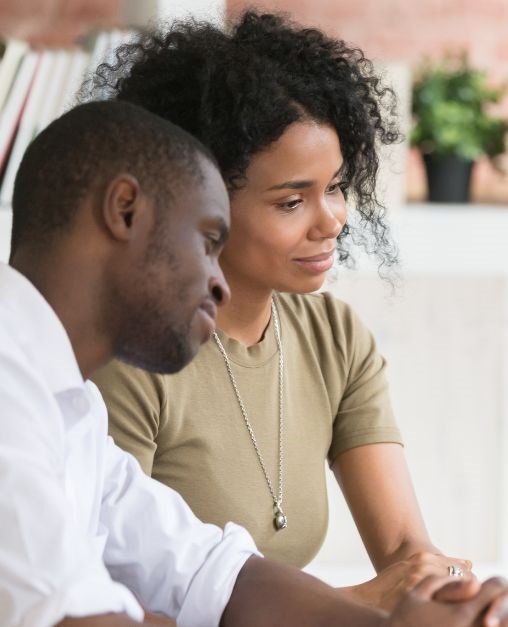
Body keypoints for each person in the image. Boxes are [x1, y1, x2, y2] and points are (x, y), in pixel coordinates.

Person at [0, 100, 508, 627]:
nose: (219, 282)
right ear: (125, 210)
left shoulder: (73, 408)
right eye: (208, 242)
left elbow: (215, 574)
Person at [85, 12, 466, 609]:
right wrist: (355, 604)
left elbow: (405, 552)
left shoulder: (334, 337)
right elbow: (97, 610)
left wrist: (448, 592)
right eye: (292, 200)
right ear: (197, 200)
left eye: (336, 187)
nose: (332, 219)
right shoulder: (130, 360)